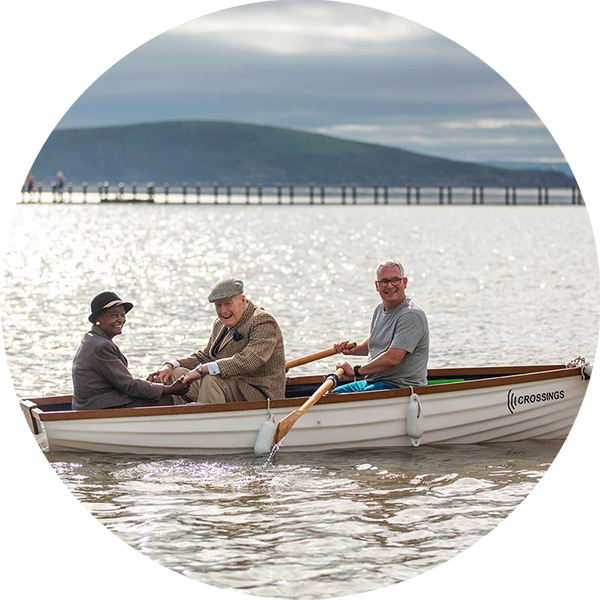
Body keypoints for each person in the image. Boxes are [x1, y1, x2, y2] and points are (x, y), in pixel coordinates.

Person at [150, 277, 286, 404]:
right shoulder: (219, 324)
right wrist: (171, 365)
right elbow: (206, 356)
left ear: (243, 301)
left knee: (211, 380)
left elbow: (249, 360)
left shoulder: (263, 321)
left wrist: (204, 369)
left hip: (260, 394)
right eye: (218, 306)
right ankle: (180, 420)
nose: (223, 311)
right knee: (176, 375)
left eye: (228, 304)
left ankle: (207, 425)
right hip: (230, 384)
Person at [72, 291, 189, 410]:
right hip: (97, 407)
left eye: (122, 315)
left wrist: (150, 385)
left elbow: (121, 382)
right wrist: (171, 389)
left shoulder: (91, 338)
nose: (120, 320)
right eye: (113, 315)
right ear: (98, 319)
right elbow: (128, 385)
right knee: (165, 399)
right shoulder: (102, 346)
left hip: (93, 403)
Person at [334, 260, 429, 393]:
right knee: (332, 394)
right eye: (384, 281)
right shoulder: (379, 309)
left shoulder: (411, 315)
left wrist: (356, 371)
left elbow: (392, 358)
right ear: (377, 286)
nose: (390, 286)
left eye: (395, 280)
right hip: (373, 381)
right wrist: (351, 350)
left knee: (340, 400)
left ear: (405, 282)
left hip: (399, 386)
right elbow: (375, 342)